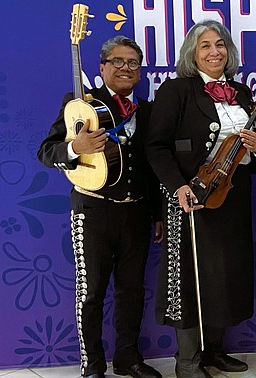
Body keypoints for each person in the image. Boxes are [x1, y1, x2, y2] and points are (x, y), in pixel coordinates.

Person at [38, 36, 163, 378]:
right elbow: (46, 152)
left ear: (139, 72)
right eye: (118, 62)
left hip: (136, 212)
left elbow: (153, 168)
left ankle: (128, 357)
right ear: (103, 67)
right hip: (93, 210)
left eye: (133, 63)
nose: (126, 69)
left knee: (132, 290)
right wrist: (75, 147)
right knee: (91, 290)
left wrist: (156, 214)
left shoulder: (147, 110)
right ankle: (91, 363)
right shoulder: (80, 104)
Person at [146, 20, 256, 378]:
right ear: (192, 54)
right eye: (206, 46)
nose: (215, 52)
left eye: (220, 45)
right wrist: (178, 186)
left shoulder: (242, 92)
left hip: (232, 198)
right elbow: (156, 146)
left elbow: (252, 143)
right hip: (191, 198)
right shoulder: (177, 90)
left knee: (224, 275)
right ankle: (188, 361)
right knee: (190, 277)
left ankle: (214, 352)